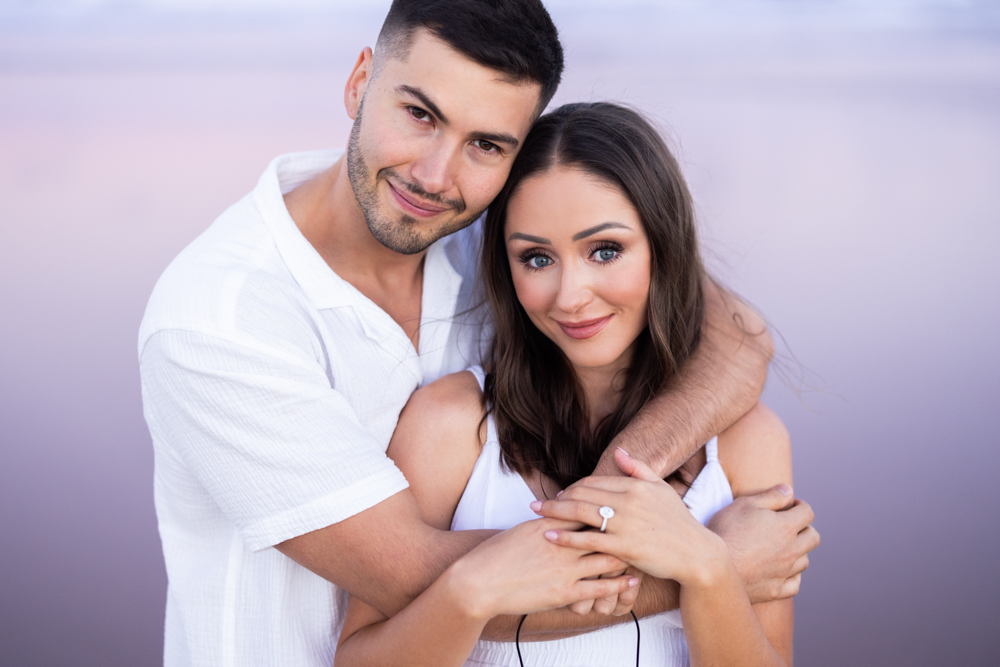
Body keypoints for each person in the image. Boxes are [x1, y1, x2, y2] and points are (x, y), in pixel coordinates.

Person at [138, 1, 818, 665]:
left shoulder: (489, 251)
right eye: (420, 114)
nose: (436, 176)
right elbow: (410, 576)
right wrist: (716, 567)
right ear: (358, 83)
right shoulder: (219, 319)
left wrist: (623, 476)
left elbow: (733, 331)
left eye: (486, 144)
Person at [333, 102, 808, 666]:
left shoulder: (744, 443)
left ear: (665, 245)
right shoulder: (450, 426)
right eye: (536, 258)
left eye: (605, 251)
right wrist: (471, 590)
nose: (571, 295)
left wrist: (708, 570)